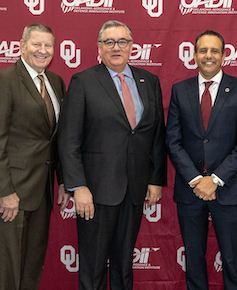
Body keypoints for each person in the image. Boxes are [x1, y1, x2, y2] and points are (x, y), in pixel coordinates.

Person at [57, 20, 166, 289]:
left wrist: (155, 179)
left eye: (122, 42)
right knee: (93, 268)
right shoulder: (83, 81)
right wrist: (78, 186)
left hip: (135, 189)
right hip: (95, 192)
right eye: (109, 42)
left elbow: (156, 136)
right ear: (99, 47)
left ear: (131, 46)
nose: (116, 48)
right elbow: (68, 139)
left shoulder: (149, 81)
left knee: (123, 265)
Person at [0, 23, 68, 290]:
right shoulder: (3, 79)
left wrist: (62, 181)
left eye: (48, 46)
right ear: (22, 46)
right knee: (10, 273)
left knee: (32, 267)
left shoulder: (55, 82)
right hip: (11, 194)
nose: (43, 51)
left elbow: (56, 139)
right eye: (37, 44)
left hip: (42, 193)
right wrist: (5, 191)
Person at [166, 30, 237, 290]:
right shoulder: (179, 90)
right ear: (194, 55)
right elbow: (173, 140)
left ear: (224, 55)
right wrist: (196, 179)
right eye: (203, 50)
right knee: (193, 259)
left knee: (232, 259)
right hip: (190, 189)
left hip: (228, 189)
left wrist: (215, 180)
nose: (209, 56)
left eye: (214, 51)